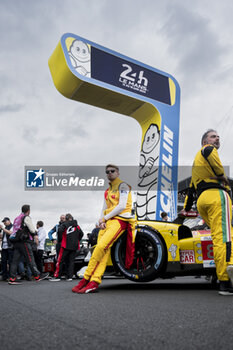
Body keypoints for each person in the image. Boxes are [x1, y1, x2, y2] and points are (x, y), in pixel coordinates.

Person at [183, 129, 233, 295]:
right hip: (216, 195)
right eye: (213, 136)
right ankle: (226, 280)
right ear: (205, 141)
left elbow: (190, 190)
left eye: (218, 136)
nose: (217, 138)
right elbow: (213, 156)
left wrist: (186, 208)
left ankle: (222, 272)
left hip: (202, 201)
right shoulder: (208, 150)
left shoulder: (196, 164)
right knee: (224, 237)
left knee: (222, 235)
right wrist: (222, 176)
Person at [72, 164, 136, 294]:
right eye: (107, 172)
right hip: (108, 221)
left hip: (121, 220)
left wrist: (104, 218)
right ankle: (93, 281)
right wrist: (101, 221)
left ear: (118, 173)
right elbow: (103, 208)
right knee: (102, 250)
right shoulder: (107, 191)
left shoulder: (123, 186)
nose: (109, 173)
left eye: (112, 171)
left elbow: (122, 206)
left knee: (101, 247)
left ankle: (86, 279)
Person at [8, 204, 49, 284]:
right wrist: (35, 236)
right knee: (30, 258)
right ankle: (37, 276)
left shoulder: (17, 218)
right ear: (28, 211)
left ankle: (12, 278)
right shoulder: (26, 217)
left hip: (16, 241)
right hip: (23, 241)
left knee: (15, 260)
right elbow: (31, 229)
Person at [50, 213, 83, 281]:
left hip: (65, 245)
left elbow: (59, 230)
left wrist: (60, 239)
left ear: (67, 219)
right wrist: (77, 240)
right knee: (71, 261)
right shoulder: (77, 226)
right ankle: (69, 277)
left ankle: (58, 276)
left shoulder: (65, 224)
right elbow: (81, 234)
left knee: (60, 260)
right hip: (74, 246)